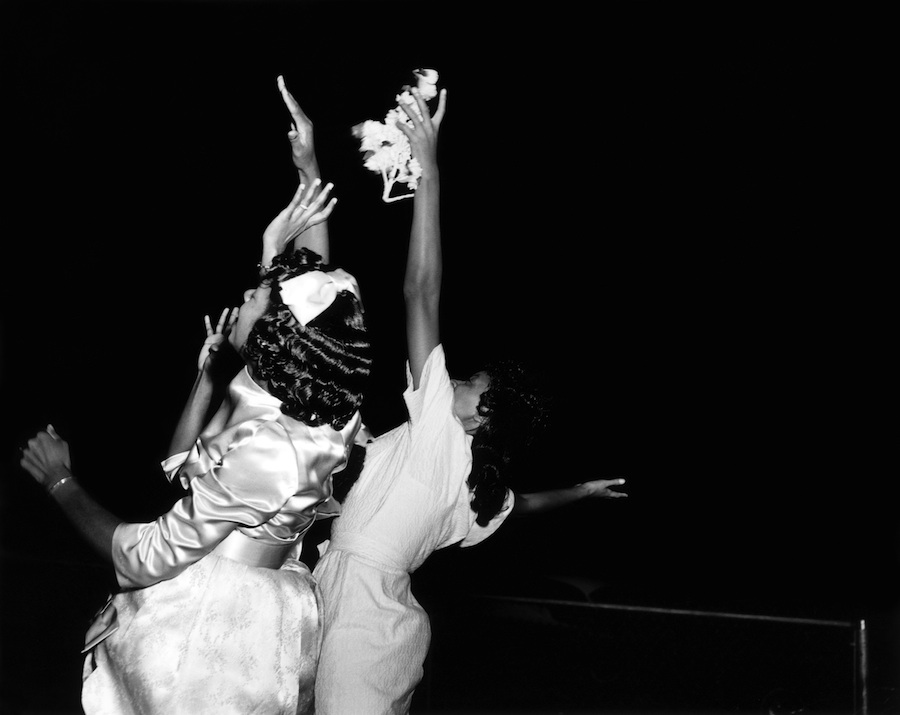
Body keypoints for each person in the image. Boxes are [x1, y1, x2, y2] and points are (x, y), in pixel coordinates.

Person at [273, 77, 627, 715]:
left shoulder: (442, 431)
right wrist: (577, 493)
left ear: (480, 416)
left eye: (469, 383)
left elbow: (421, 292)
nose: (452, 378)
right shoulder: (475, 487)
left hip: (361, 626)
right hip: (363, 615)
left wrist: (428, 176)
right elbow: (520, 508)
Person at [19, 176, 372, 715]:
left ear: (275, 334)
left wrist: (59, 481)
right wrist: (281, 230)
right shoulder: (306, 393)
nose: (241, 302)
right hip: (241, 583)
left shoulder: (276, 449)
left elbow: (148, 557)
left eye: (252, 299)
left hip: (217, 621)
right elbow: (182, 467)